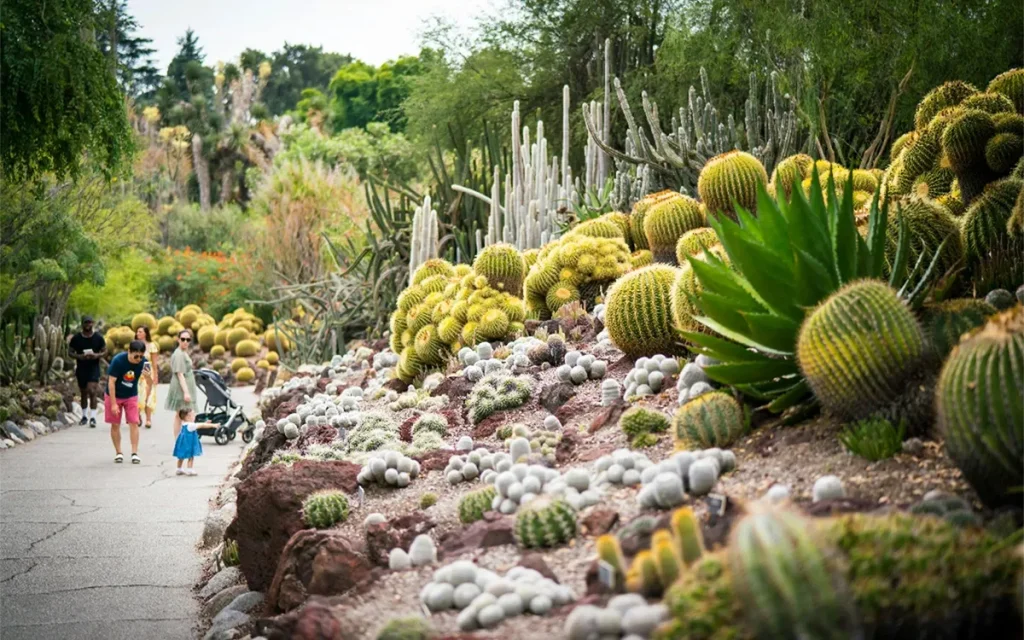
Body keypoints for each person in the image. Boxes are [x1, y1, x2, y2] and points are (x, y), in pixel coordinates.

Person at [105, 340, 147, 464]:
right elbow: (111, 382)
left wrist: (148, 376)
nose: (139, 359)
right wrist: (113, 403)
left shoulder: (144, 362)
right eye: (136, 356)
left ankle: (134, 453)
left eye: (141, 356)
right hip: (114, 395)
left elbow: (149, 381)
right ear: (129, 351)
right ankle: (118, 452)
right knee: (115, 424)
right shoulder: (118, 361)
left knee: (134, 422)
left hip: (131, 395)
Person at [68, 316, 106, 427]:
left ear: (93, 323)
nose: (88, 324)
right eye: (86, 322)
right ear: (82, 324)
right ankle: (84, 416)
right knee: (83, 392)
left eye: (90, 322)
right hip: (81, 368)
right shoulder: (76, 338)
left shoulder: (98, 338)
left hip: (94, 367)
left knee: (92, 391)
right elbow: (70, 352)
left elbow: (104, 351)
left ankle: (93, 417)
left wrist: (96, 355)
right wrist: (79, 356)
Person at [165, 329, 197, 439]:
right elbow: (180, 374)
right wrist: (186, 392)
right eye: (183, 339)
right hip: (181, 387)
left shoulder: (183, 353)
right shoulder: (179, 354)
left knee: (180, 414)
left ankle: (179, 439)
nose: (185, 342)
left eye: (188, 340)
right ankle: (180, 439)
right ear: (178, 340)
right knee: (185, 413)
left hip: (184, 385)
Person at [135, 326, 159, 429]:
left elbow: (154, 363)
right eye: (137, 332)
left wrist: (156, 376)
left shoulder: (152, 346)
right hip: (136, 372)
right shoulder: (134, 345)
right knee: (137, 396)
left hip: (148, 371)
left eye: (140, 332)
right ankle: (137, 416)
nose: (138, 333)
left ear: (145, 333)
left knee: (149, 396)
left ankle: (148, 419)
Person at [172, 408, 209, 476]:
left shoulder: (184, 424)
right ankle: (189, 469)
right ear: (188, 417)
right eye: (193, 415)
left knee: (181, 456)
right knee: (191, 456)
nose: (194, 416)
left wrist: (205, 423)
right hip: (189, 444)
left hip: (182, 443)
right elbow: (201, 425)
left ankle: (179, 469)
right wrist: (213, 425)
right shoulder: (191, 425)